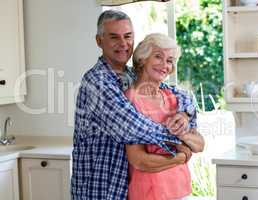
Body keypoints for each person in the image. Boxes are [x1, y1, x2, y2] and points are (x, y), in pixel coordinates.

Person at [71, 10, 197, 200]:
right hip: (99, 190)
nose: (123, 44)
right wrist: (183, 142)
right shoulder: (97, 82)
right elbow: (132, 127)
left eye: (128, 36)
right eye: (114, 37)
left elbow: (178, 94)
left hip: (123, 189)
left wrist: (185, 114)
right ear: (99, 41)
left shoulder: (131, 76)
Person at [125, 33, 205, 200]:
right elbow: (138, 160)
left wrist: (181, 134)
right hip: (149, 191)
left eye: (169, 60)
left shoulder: (173, 98)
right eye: (158, 57)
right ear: (142, 60)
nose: (164, 65)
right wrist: (179, 157)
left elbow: (199, 145)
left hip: (180, 188)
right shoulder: (130, 99)